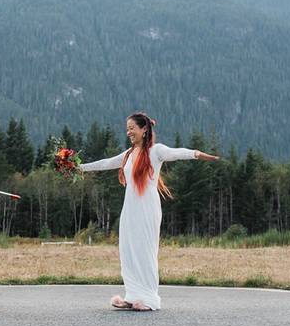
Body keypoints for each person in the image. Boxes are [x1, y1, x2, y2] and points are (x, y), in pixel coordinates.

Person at [80, 112, 219, 311]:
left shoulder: (156, 151)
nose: (128, 132)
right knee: (128, 249)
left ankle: (149, 299)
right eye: (127, 129)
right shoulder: (128, 154)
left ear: (144, 129)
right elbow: (105, 163)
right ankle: (132, 295)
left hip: (147, 206)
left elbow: (176, 153)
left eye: (132, 128)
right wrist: (79, 168)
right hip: (130, 207)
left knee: (145, 249)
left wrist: (196, 154)